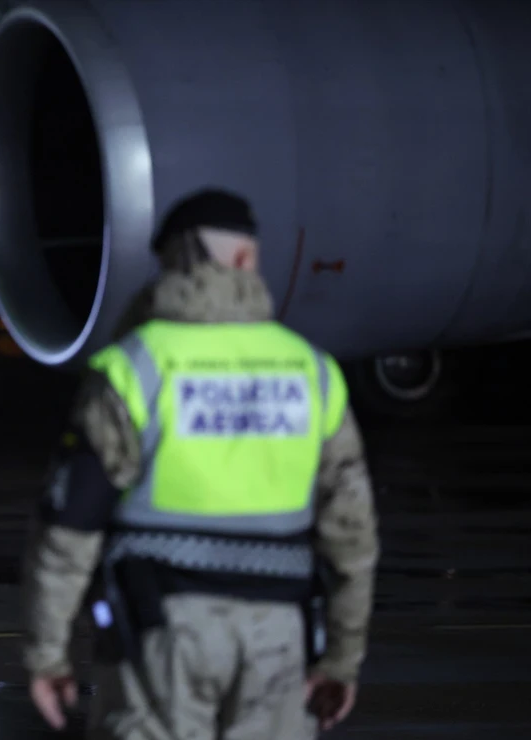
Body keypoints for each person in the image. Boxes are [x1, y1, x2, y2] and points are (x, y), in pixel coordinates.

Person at [22, 189, 380, 739]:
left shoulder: (133, 366)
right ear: (244, 260)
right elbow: (352, 536)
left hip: (159, 634)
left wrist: (49, 655)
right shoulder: (312, 371)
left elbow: (70, 526)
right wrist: (341, 658)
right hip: (278, 636)